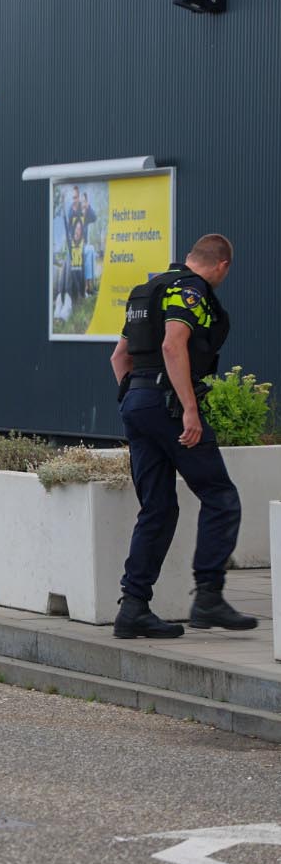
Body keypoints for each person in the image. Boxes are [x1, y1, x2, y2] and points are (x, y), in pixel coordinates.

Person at [109, 233, 254, 639]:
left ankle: (133, 607)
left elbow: (119, 356)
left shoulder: (147, 289)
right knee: (220, 497)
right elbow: (175, 346)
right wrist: (188, 408)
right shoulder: (191, 290)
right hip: (169, 405)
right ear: (221, 265)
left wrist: (135, 400)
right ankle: (208, 596)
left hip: (136, 401)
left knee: (157, 508)